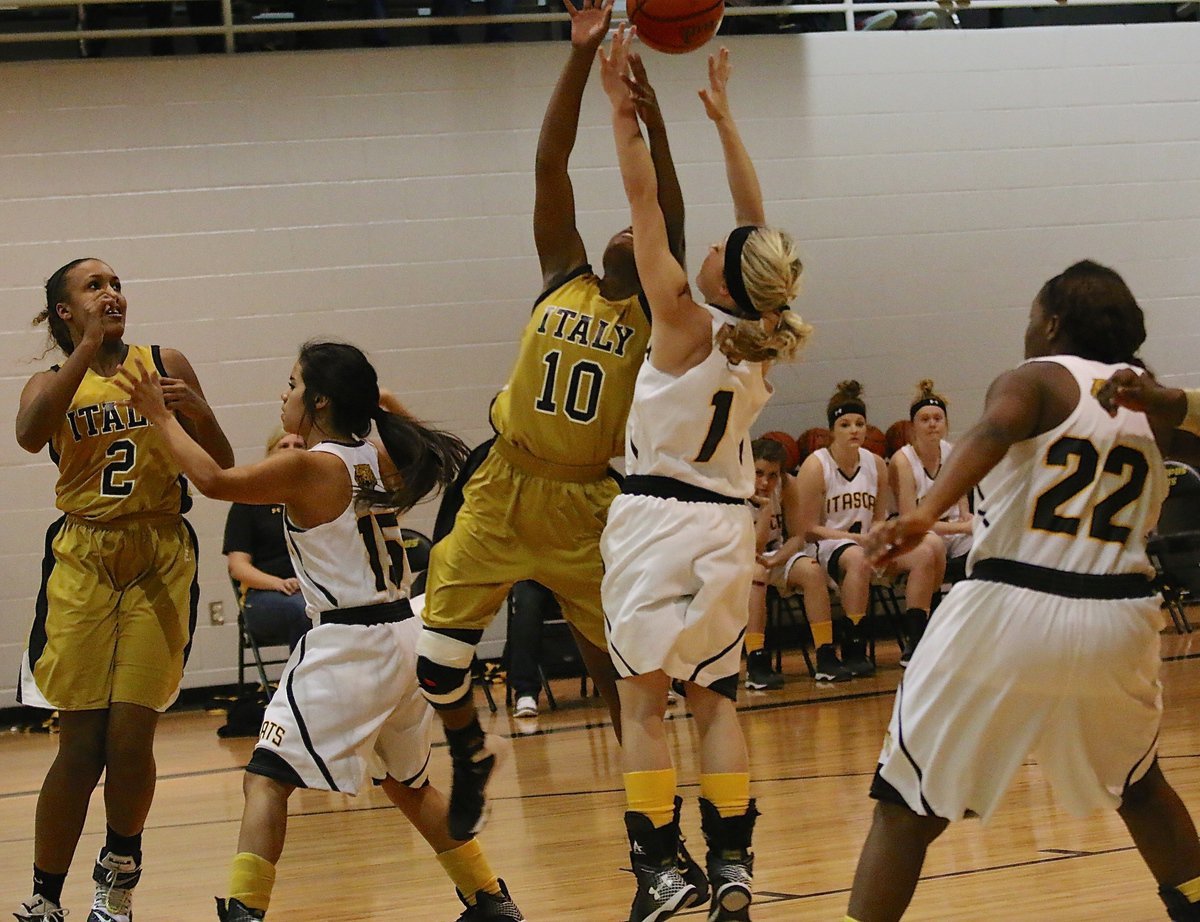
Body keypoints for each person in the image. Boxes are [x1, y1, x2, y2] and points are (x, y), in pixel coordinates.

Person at [116, 341, 524, 922]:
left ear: (321, 401)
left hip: (350, 644)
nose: (283, 395)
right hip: (408, 636)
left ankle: (243, 912)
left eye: (292, 384)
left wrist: (160, 417)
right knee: (407, 786)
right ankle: (489, 901)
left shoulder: (307, 465)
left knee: (265, 779)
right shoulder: (378, 452)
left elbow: (211, 479)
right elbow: (380, 399)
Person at [845, 260, 1200, 922]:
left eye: (1033, 316)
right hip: (1120, 616)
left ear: (1055, 323)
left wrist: (927, 509)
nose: (1028, 328)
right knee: (1140, 788)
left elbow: (993, 429)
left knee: (906, 805)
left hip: (1011, 603)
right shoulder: (1156, 407)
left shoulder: (1037, 377)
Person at [415, 0, 685, 844]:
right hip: (501, 483)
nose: (618, 221)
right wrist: (577, 58)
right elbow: (549, 163)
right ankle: (469, 755)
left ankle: (654, 838)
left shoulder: (654, 311)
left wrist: (653, 121)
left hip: (586, 506)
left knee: (619, 676)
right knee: (434, 662)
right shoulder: (560, 276)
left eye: (632, 226)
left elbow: (667, 212)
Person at [598, 34, 811, 922]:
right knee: (714, 698)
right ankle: (730, 865)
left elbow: (641, 195)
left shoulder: (681, 316)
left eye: (722, 243)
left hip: (657, 521)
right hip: (729, 526)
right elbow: (755, 225)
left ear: (722, 267)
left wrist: (619, 108)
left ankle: (660, 872)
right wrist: (724, 119)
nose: (715, 241)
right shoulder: (766, 329)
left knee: (641, 704)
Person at [13, 258, 235, 922]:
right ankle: (44, 898)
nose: (112, 293)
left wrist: (198, 408)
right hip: (83, 557)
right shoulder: (48, 383)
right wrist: (85, 353)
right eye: (94, 287)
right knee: (79, 746)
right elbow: (27, 437)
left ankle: (118, 878)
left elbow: (221, 462)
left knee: (131, 739)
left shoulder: (164, 361)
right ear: (64, 311)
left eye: (116, 283)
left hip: (160, 553)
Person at [793, 380, 945, 675]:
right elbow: (807, 528)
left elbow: (878, 517)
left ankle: (916, 640)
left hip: (864, 543)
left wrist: (879, 533)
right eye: (845, 424)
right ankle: (854, 643)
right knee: (857, 558)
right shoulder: (816, 465)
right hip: (826, 547)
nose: (854, 430)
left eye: (859, 423)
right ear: (832, 430)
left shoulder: (876, 463)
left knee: (925, 552)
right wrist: (853, 538)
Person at [887, 378, 973, 653]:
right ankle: (917, 640)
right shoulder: (903, 460)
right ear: (913, 428)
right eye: (925, 419)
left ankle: (972, 627)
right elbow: (912, 521)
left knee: (987, 546)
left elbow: (962, 503)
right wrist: (960, 528)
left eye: (938, 418)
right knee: (930, 547)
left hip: (947, 529)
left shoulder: (954, 452)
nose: (933, 424)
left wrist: (968, 522)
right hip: (908, 533)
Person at [748, 438, 840, 685]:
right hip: (742, 558)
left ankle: (826, 655)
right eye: (758, 473)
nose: (765, 482)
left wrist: (778, 558)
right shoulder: (735, 489)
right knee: (757, 573)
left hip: (773, 555)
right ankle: (756, 660)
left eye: (772, 475)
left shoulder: (789, 484)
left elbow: (798, 536)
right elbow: (755, 546)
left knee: (812, 570)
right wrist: (766, 509)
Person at [223, 428, 311, 653]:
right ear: (269, 455)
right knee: (303, 609)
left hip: (314, 590)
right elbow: (238, 566)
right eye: (284, 446)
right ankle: (304, 684)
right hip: (266, 596)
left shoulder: (320, 500)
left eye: (299, 446)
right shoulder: (248, 502)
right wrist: (279, 584)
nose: (292, 452)